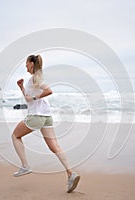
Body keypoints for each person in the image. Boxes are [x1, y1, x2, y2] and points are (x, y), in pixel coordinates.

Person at [12, 54, 80, 193]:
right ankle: (70, 173)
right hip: (47, 116)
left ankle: (25, 165)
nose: (25, 66)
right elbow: (29, 99)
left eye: (26, 63)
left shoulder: (35, 78)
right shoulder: (34, 79)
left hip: (36, 116)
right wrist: (21, 87)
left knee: (15, 136)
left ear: (31, 63)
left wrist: (35, 96)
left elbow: (48, 91)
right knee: (54, 147)